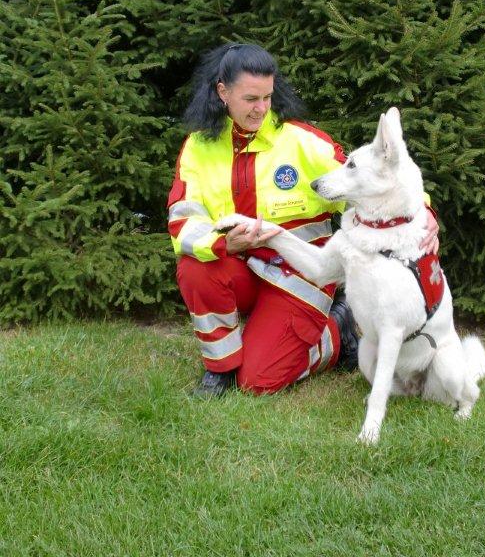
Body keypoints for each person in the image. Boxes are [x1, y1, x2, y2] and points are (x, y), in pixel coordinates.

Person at [168, 43, 439, 398]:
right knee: (195, 268)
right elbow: (182, 221)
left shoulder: (302, 141)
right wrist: (221, 243)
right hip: (239, 269)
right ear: (223, 92)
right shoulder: (197, 148)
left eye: (267, 96)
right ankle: (219, 370)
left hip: (300, 278)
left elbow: (370, 181)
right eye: (251, 98)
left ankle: (337, 333)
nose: (262, 108)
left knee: (258, 383)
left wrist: (423, 212)